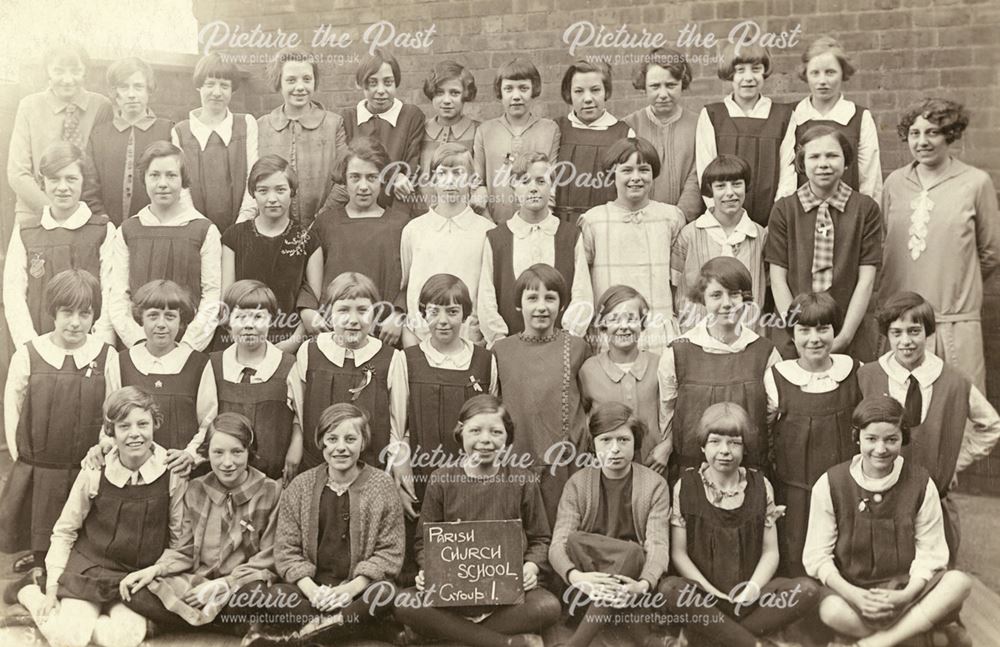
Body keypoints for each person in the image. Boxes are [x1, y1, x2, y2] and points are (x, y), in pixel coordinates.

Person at [15, 387, 186, 647]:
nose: (135, 434)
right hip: (89, 569)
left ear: (155, 424)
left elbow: (179, 541)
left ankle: (84, 622)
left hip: (135, 578)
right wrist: (52, 589)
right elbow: (65, 531)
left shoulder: (171, 472)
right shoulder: (95, 470)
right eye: (124, 426)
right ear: (111, 431)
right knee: (69, 638)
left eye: (143, 424)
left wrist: (156, 572)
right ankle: (30, 592)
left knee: (120, 639)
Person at [393, 394, 562, 647]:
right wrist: (427, 570)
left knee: (548, 606)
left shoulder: (522, 479)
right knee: (403, 603)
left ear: (508, 438)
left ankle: (443, 637)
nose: (485, 440)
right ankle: (504, 643)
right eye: (475, 431)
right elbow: (422, 542)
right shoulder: (442, 479)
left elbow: (541, 538)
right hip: (453, 592)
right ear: (461, 435)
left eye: (496, 432)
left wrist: (531, 568)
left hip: (507, 594)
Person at [803, 396, 972, 647]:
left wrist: (905, 595)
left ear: (903, 438)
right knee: (830, 611)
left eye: (891, 439)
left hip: (906, 589)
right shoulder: (830, 483)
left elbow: (931, 553)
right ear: (857, 437)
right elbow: (817, 557)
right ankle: (917, 638)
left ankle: (873, 643)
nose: (880, 449)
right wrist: (856, 596)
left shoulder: (921, 483)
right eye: (871, 439)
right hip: (853, 590)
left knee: (959, 582)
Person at [658, 402, 820, 647]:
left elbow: (770, 551)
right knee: (670, 589)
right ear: (702, 446)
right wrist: (711, 592)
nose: (725, 451)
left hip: (750, 598)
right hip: (705, 598)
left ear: (745, 448)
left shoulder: (760, 484)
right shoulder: (685, 485)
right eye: (715, 441)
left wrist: (753, 589)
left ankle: (709, 637)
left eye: (734, 442)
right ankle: (754, 644)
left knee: (807, 590)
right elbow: (679, 554)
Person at [858, 292, 1000, 562]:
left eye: (914, 331)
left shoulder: (953, 380)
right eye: (896, 332)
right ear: (886, 335)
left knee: (933, 581)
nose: (906, 341)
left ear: (929, 332)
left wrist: (956, 462)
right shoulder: (868, 376)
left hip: (932, 502)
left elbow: (991, 425)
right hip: (879, 505)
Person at [0, 270, 116, 595]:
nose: (76, 322)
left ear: (94, 314)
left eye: (85, 313)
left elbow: (113, 411)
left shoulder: (105, 355)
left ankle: (70, 570)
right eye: (67, 313)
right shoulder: (30, 354)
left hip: (85, 465)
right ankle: (39, 565)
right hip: (41, 464)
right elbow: (14, 405)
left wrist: (104, 451)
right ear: (53, 312)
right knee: (43, 518)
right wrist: (22, 455)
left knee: (80, 533)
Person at [117, 413, 282, 638]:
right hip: (196, 582)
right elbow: (184, 549)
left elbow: (269, 557)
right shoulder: (196, 489)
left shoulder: (270, 491)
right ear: (206, 454)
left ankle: (178, 622)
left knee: (259, 594)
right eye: (218, 452)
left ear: (249, 452)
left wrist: (226, 583)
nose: (227, 462)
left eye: (237, 452)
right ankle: (229, 626)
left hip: (238, 585)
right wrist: (155, 570)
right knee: (139, 591)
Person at [252, 404, 404, 646]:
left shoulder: (382, 486)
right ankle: (352, 627)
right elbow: (286, 551)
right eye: (332, 438)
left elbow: (389, 553)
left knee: (384, 593)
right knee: (276, 596)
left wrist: (349, 590)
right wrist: (314, 592)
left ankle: (297, 640)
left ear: (363, 442)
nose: (340, 447)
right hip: (313, 590)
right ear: (321, 441)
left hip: (358, 589)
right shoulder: (301, 486)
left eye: (350, 439)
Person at [879, 98, 999, 395]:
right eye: (915, 134)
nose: (922, 141)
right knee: (898, 410)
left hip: (954, 321)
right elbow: (882, 243)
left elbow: (990, 251)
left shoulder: (975, 183)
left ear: (950, 135)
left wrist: (959, 283)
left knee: (962, 409)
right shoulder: (895, 183)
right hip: (901, 322)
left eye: (932, 132)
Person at [549, 402, 672, 647]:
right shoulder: (578, 483)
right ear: (593, 444)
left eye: (623, 440)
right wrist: (576, 577)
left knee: (635, 551)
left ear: (635, 442)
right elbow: (559, 544)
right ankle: (646, 638)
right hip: (588, 582)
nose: (614, 449)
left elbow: (658, 544)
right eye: (605, 440)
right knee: (574, 540)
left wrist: (643, 584)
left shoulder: (655, 485)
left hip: (631, 582)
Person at [763, 292, 860, 576]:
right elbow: (768, 432)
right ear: (792, 334)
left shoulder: (854, 371)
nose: (814, 338)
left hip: (844, 489)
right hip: (795, 492)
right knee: (796, 556)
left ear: (835, 330)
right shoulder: (777, 377)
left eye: (823, 329)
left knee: (842, 554)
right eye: (804, 330)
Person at [766, 125, 881, 362]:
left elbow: (866, 279)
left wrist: (845, 336)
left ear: (846, 161)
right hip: (795, 334)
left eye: (832, 155)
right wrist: (797, 332)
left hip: (849, 328)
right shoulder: (785, 209)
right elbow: (778, 279)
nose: (823, 163)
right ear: (802, 162)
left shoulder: (865, 209)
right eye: (814, 156)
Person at [659, 257, 782, 480]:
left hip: (749, 472)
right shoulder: (678, 352)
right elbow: (667, 411)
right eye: (716, 295)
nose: (726, 303)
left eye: (734, 294)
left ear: (745, 298)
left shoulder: (764, 352)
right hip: (692, 472)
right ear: (703, 299)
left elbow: (772, 411)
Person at [493, 264, 590, 523]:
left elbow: (588, 402)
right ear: (518, 304)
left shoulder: (577, 347)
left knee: (563, 527)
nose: (541, 307)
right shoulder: (501, 351)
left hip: (564, 461)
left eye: (550, 298)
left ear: (561, 304)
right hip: (515, 459)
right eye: (532, 298)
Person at [108, 140, 222, 352]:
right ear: (144, 178)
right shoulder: (128, 230)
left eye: (171, 175)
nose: (162, 183)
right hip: (138, 348)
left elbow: (212, 296)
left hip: (188, 349)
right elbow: (118, 297)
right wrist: (138, 342)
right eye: (154, 175)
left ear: (183, 180)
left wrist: (188, 346)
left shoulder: (204, 230)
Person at [578, 137, 685, 354]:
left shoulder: (671, 217)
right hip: (612, 332)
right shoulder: (594, 221)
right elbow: (582, 281)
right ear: (612, 174)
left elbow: (680, 281)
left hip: (658, 329)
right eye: (626, 170)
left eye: (644, 170)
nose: (636, 178)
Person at [4, 141, 116, 346]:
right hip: (38, 342)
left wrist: (99, 346)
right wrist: (29, 346)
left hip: (88, 345)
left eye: (71, 178)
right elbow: (13, 293)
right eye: (54, 179)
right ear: (42, 182)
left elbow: (110, 292)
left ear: (84, 181)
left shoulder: (102, 230)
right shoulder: (26, 231)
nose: (62, 187)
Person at [292, 272, 405, 474]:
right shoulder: (310, 351)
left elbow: (397, 422)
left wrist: (391, 467)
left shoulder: (390, 359)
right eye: (343, 310)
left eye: (362, 310)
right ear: (328, 312)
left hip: (370, 470)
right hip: (317, 468)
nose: (353, 320)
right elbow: (300, 413)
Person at [102, 279, 217, 474]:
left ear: (181, 321)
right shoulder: (121, 362)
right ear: (141, 318)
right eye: (153, 316)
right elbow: (110, 420)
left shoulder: (199, 364)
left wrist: (190, 454)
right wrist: (106, 444)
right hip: (132, 473)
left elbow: (209, 422)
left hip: (181, 471)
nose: (161, 324)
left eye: (170, 316)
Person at [477, 151, 593, 343]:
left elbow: (582, 294)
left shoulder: (570, 236)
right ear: (513, 186)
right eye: (525, 181)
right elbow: (486, 298)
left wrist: (568, 339)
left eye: (541, 181)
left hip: (559, 349)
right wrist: (500, 340)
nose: (533, 188)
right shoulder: (496, 238)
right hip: (510, 348)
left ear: (552, 187)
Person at [308, 137, 408, 345]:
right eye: (355, 177)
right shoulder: (326, 223)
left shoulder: (400, 225)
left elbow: (412, 277)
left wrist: (398, 315)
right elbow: (308, 278)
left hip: (384, 334)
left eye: (372, 177)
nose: (363, 186)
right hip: (334, 332)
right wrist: (308, 311)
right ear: (344, 180)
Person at [221, 154, 322, 351]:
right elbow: (227, 299)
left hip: (290, 338)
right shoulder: (233, 237)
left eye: (280, 190)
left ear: (292, 192)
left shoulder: (308, 240)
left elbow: (311, 301)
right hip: (241, 337)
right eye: (263, 191)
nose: (272, 199)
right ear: (253, 193)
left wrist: (291, 343)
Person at [399, 143, 495, 342]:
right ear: (432, 179)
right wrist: (411, 340)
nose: (450, 182)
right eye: (443, 173)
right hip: (422, 341)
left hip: (468, 341)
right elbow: (406, 285)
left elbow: (489, 292)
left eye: (458, 173)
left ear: (472, 180)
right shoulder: (414, 230)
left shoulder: (486, 232)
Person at [8, 42, 112, 224]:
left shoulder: (101, 106)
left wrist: (85, 215)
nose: (67, 79)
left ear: (85, 71)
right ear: (47, 72)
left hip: (86, 214)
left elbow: (102, 168)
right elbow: (18, 173)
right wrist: (52, 212)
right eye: (58, 71)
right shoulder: (29, 106)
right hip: (35, 211)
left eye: (75, 71)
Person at [211, 281, 303, 484]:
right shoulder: (214, 365)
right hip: (224, 477)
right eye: (240, 317)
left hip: (274, 481)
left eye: (258, 316)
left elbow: (300, 416)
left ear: (272, 319)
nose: (249, 325)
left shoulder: (288, 365)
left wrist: (295, 448)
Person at [695, 42, 796, 226]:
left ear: (764, 72)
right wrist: (721, 218)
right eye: (740, 70)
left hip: (769, 221)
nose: (748, 77)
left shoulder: (783, 116)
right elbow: (705, 171)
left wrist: (777, 218)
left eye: (756, 69)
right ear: (730, 74)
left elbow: (788, 171)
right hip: (722, 221)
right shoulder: (713, 115)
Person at [671, 154, 767, 332]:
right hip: (697, 334)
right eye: (721, 186)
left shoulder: (760, 236)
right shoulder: (690, 234)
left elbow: (766, 287)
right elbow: (674, 285)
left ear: (746, 186)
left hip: (746, 335)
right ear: (710, 190)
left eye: (737, 184)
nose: (730, 192)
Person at [579, 285, 670, 470]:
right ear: (602, 325)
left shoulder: (660, 365)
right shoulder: (588, 370)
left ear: (642, 323)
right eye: (614, 319)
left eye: (631, 318)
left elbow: (676, 414)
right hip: (606, 471)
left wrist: (667, 448)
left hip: (654, 466)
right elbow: (582, 421)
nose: (624, 326)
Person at [258, 48, 347, 225]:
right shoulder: (262, 126)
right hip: (273, 229)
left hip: (323, 228)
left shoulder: (333, 124)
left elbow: (345, 179)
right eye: (291, 80)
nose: (300, 87)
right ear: (279, 82)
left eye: (307, 79)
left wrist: (322, 218)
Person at [82, 56, 174, 226]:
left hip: (154, 228)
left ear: (149, 90)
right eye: (124, 87)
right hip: (107, 230)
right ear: (115, 93)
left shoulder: (167, 131)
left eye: (138, 87)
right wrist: (102, 220)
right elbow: (90, 187)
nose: (131, 94)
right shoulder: (99, 135)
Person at [171, 52, 258, 232]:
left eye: (224, 86)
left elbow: (254, 177)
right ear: (198, 86)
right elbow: (182, 190)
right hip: (196, 230)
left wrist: (241, 225)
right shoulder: (180, 132)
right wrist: (203, 230)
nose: (217, 93)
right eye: (210, 84)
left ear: (232, 89)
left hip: (241, 228)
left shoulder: (246, 124)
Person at [790, 36, 882, 202]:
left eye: (830, 72)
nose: (822, 81)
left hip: (848, 212)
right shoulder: (793, 115)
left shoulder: (859, 117)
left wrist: (866, 216)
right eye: (815, 73)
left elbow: (870, 178)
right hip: (801, 213)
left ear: (842, 73)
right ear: (806, 74)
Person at [472, 57, 560, 224]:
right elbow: (477, 184)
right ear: (500, 92)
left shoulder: (549, 129)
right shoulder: (485, 130)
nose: (516, 96)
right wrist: (489, 224)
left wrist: (543, 222)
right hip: (493, 222)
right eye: (509, 89)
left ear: (534, 90)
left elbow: (552, 182)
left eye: (523, 88)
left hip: (537, 223)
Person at [342, 48, 426, 212]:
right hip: (357, 209)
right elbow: (345, 170)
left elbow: (411, 166)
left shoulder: (411, 116)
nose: (381, 91)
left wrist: (401, 177)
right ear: (361, 84)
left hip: (398, 208)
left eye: (388, 82)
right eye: (373, 83)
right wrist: (394, 175)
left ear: (396, 82)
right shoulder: (348, 118)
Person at [624, 47, 702, 221]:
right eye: (655, 86)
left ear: (683, 83)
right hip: (638, 222)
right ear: (644, 86)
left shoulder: (699, 125)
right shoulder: (630, 125)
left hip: (685, 224)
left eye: (671, 85)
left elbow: (696, 177)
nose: (663, 94)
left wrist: (681, 216)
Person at [554, 60, 633, 223]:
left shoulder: (624, 134)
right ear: (569, 94)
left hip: (607, 226)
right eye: (579, 91)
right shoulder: (555, 129)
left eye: (595, 90)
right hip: (560, 226)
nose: (588, 98)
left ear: (606, 92)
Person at [417, 60, 480, 213]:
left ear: (465, 95)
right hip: (424, 216)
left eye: (454, 93)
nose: (446, 100)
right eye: (439, 93)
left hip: (465, 216)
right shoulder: (419, 132)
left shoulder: (478, 131)